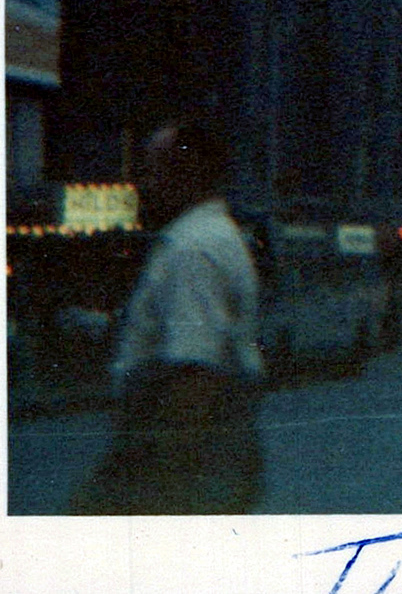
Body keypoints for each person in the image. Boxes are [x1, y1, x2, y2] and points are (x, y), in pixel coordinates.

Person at [67, 118, 265, 515]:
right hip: (204, 448)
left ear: (187, 174)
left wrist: (159, 482)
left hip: (178, 456)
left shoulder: (191, 250)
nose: (142, 184)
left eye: (152, 170)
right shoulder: (211, 235)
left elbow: (195, 373)